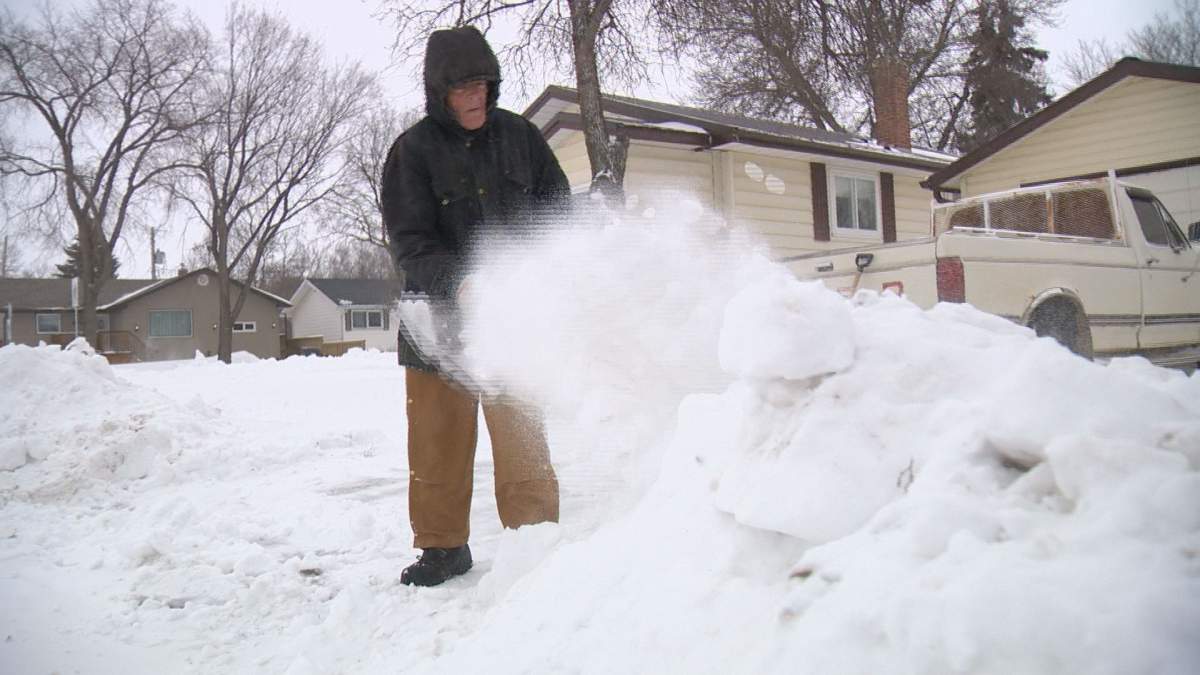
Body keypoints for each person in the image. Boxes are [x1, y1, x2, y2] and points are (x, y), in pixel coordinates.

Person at [380, 26, 570, 587]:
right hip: (436, 321)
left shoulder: (520, 138)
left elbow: (556, 209)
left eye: (482, 87)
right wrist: (459, 281)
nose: (474, 99)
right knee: (438, 440)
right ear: (438, 92)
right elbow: (410, 241)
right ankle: (443, 548)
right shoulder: (412, 152)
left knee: (522, 436)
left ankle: (534, 536)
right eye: (462, 90)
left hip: (511, 321)